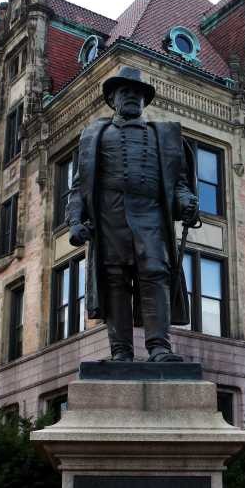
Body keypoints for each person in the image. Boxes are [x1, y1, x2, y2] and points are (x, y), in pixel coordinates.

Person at [67, 66, 198, 362]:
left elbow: (178, 185)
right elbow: (80, 187)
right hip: (109, 220)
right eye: (125, 92)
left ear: (144, 101)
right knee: (114, 281)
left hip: (151, 220)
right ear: (112, 99)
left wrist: (186, 203)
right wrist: (75, 221)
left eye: (137, 93)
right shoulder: (93, 136)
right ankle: (121, 352)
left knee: (156, 276)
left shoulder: (165, 137)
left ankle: (159, 348)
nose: (132, 97)